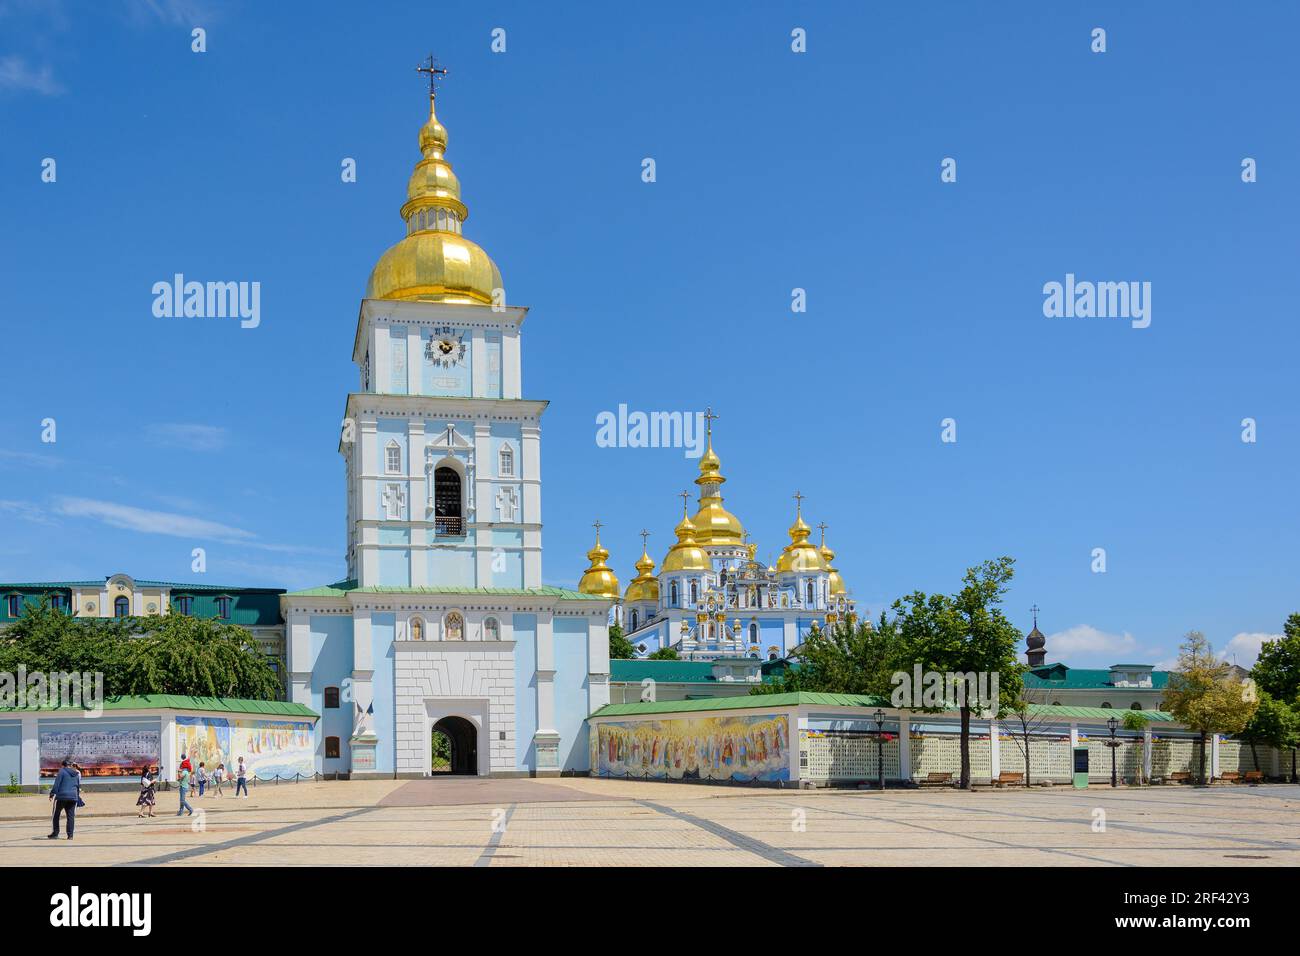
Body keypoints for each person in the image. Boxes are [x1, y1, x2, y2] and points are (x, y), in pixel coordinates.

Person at [48, 757, 80, 840]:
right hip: (73, 797)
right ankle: (70, 835)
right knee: (70, 816)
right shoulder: (76, 773)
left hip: (62, 796)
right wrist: (77, 798)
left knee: (56, 814)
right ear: (70, 765)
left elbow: (57, 784)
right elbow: (77, 786)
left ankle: (55, 833)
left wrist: (52, 794)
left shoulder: (62, 771)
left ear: (63, 765)